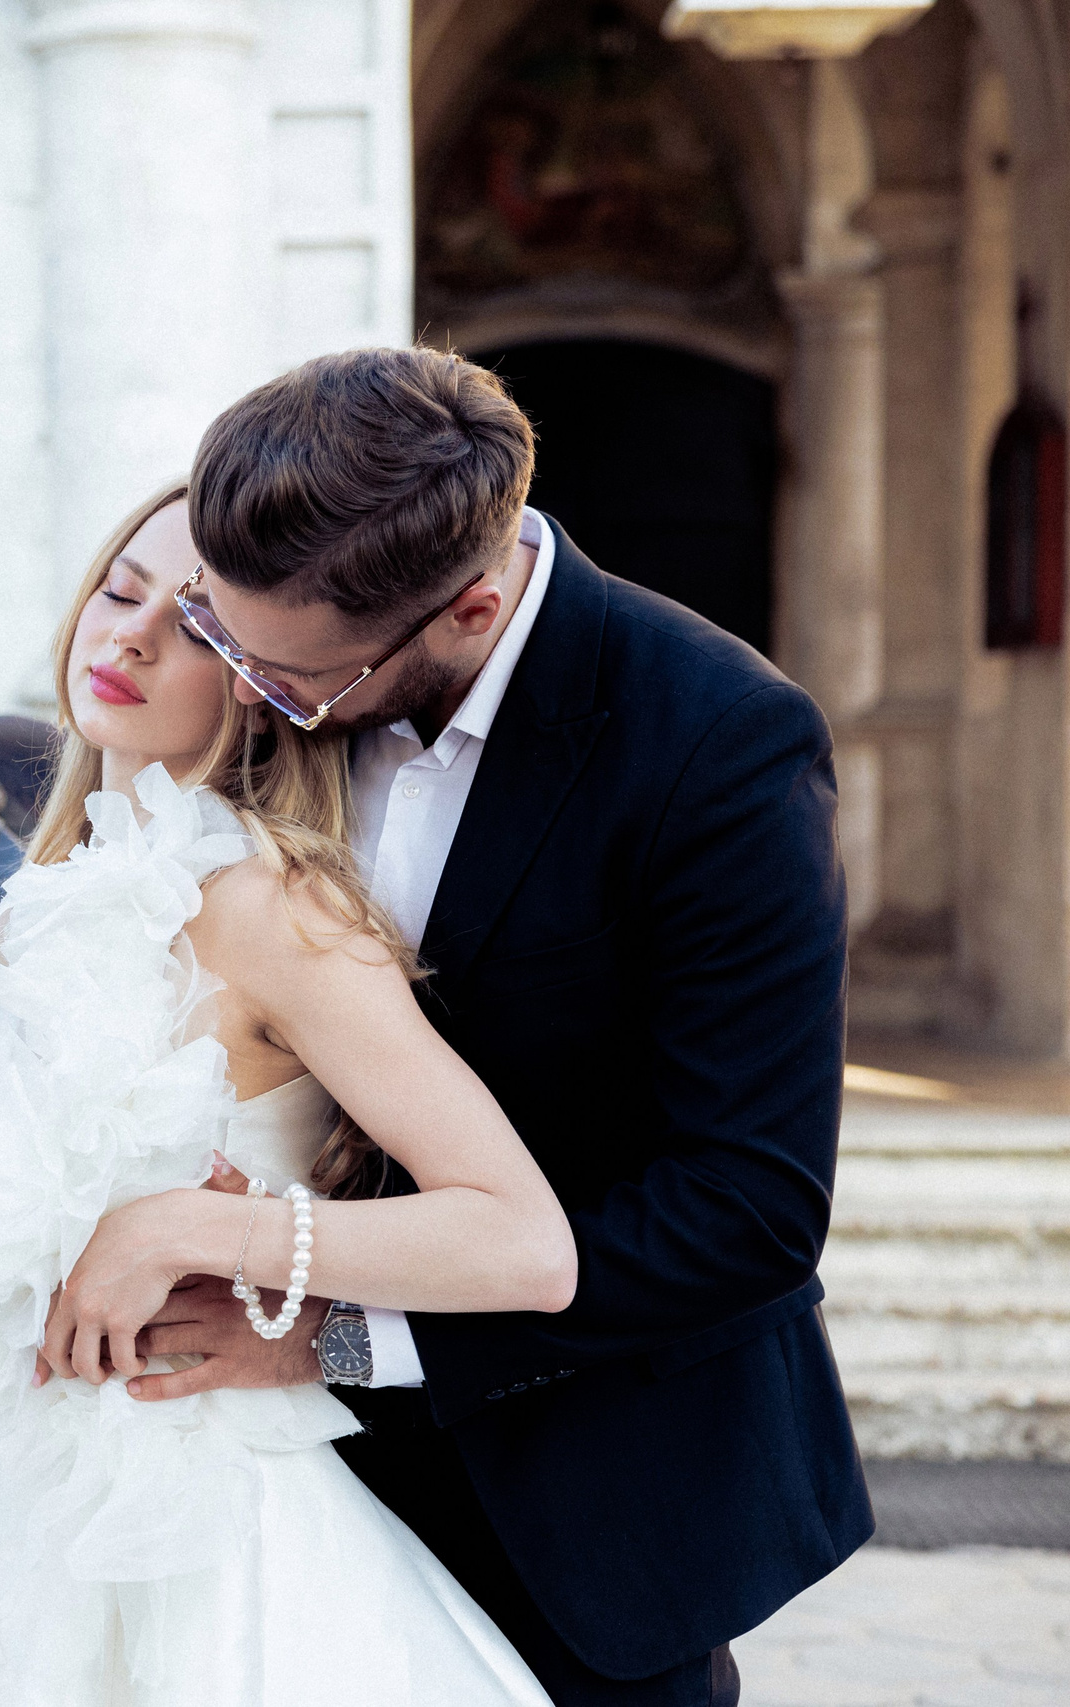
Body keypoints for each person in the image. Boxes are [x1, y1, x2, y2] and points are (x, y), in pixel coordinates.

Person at [74, 346, 871, 1707]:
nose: (248, 687)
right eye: (223, 633)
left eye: (292, 676)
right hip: (261, 1495)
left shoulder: (718, 744)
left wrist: (329, 1328)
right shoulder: (274, 673)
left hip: (581, 1489)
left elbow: (745, 1211)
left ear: (471, 604)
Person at [0, 463, 582, 1705]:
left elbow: (523, 1245)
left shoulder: (276, 908)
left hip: (217, 1524)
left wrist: (196, 1230)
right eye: (121, 589)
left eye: (198, 625)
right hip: (10, 1524)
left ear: (273, 673)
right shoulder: (20, 921)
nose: (131, 636)